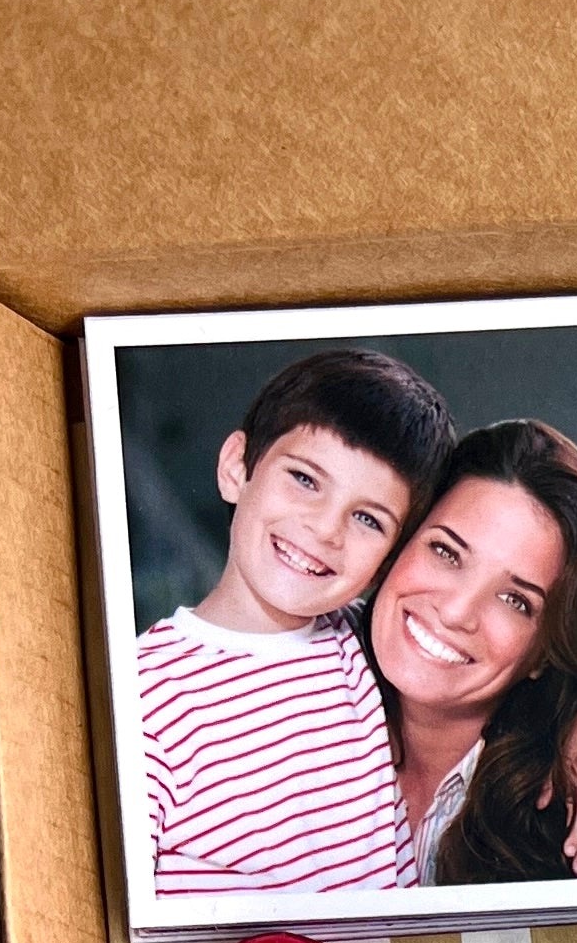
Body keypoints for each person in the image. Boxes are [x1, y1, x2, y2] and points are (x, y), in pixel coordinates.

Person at [132, 348, 451, 897]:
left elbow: (511, 691)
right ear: (237, 468)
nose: (326, 529)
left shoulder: (371, 643)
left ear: (390, 558)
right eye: (305, 479)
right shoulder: (145, 692)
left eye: (368, 518)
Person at [364, 417, 577, 888]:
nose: (456, 612)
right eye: (446, 552)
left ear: (545, 653)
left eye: (516, 601)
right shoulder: (300, 680)